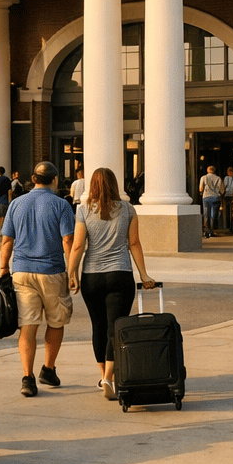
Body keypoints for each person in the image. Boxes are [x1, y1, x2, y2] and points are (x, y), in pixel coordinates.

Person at [67, 167, 155, 400]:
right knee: (115, 327)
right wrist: (144, 274)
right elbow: (134, 243)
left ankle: (103, 376)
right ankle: (109, 376)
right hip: (120, 275)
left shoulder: (83, 210)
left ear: (92, 186)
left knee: (99, 327)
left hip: (92, 276)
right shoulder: (127, 209)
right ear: (115, 184)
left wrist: (71, 274)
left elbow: (78, 246)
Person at [0, 160, 74, 397]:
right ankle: (48, 369)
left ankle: (27, 377)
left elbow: (7, 240)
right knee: (56, 321)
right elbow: (68, 241)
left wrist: (3, 268)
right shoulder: (61, 205)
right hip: (52, 271)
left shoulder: (16, 204)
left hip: (21, 271)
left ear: (33, 179)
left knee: (28, 326)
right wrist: (72, 272)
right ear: (55, 180)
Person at [199, 165, 223, 238]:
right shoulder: (218, 178)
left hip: (206, 197)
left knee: (206, 214)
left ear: (207, 170)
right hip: (215, 198)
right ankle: (211, 231)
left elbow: (201, 188)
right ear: (214, 170)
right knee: (213, 215)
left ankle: (207, 231)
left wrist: (202, 192)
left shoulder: (203, 178)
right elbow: (221, 190)